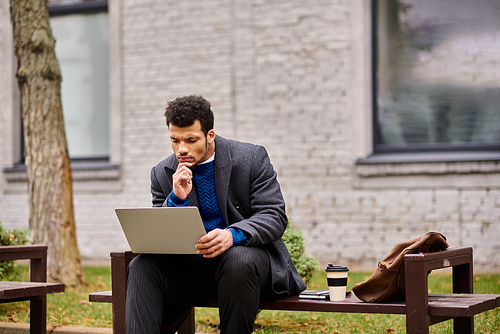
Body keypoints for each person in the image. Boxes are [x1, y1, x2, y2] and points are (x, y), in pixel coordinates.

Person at [125, 95, 306, 334]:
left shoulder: (251, 158)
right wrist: (176, 199)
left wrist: (232, 235)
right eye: (174, 140)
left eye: (191, 140)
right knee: (142, 265)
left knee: (237, 259)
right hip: (194, 271)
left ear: (210, 135)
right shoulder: (162, 173)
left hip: (246, 267)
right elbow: (163, 235)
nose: (182, 149)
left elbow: (274, 216)